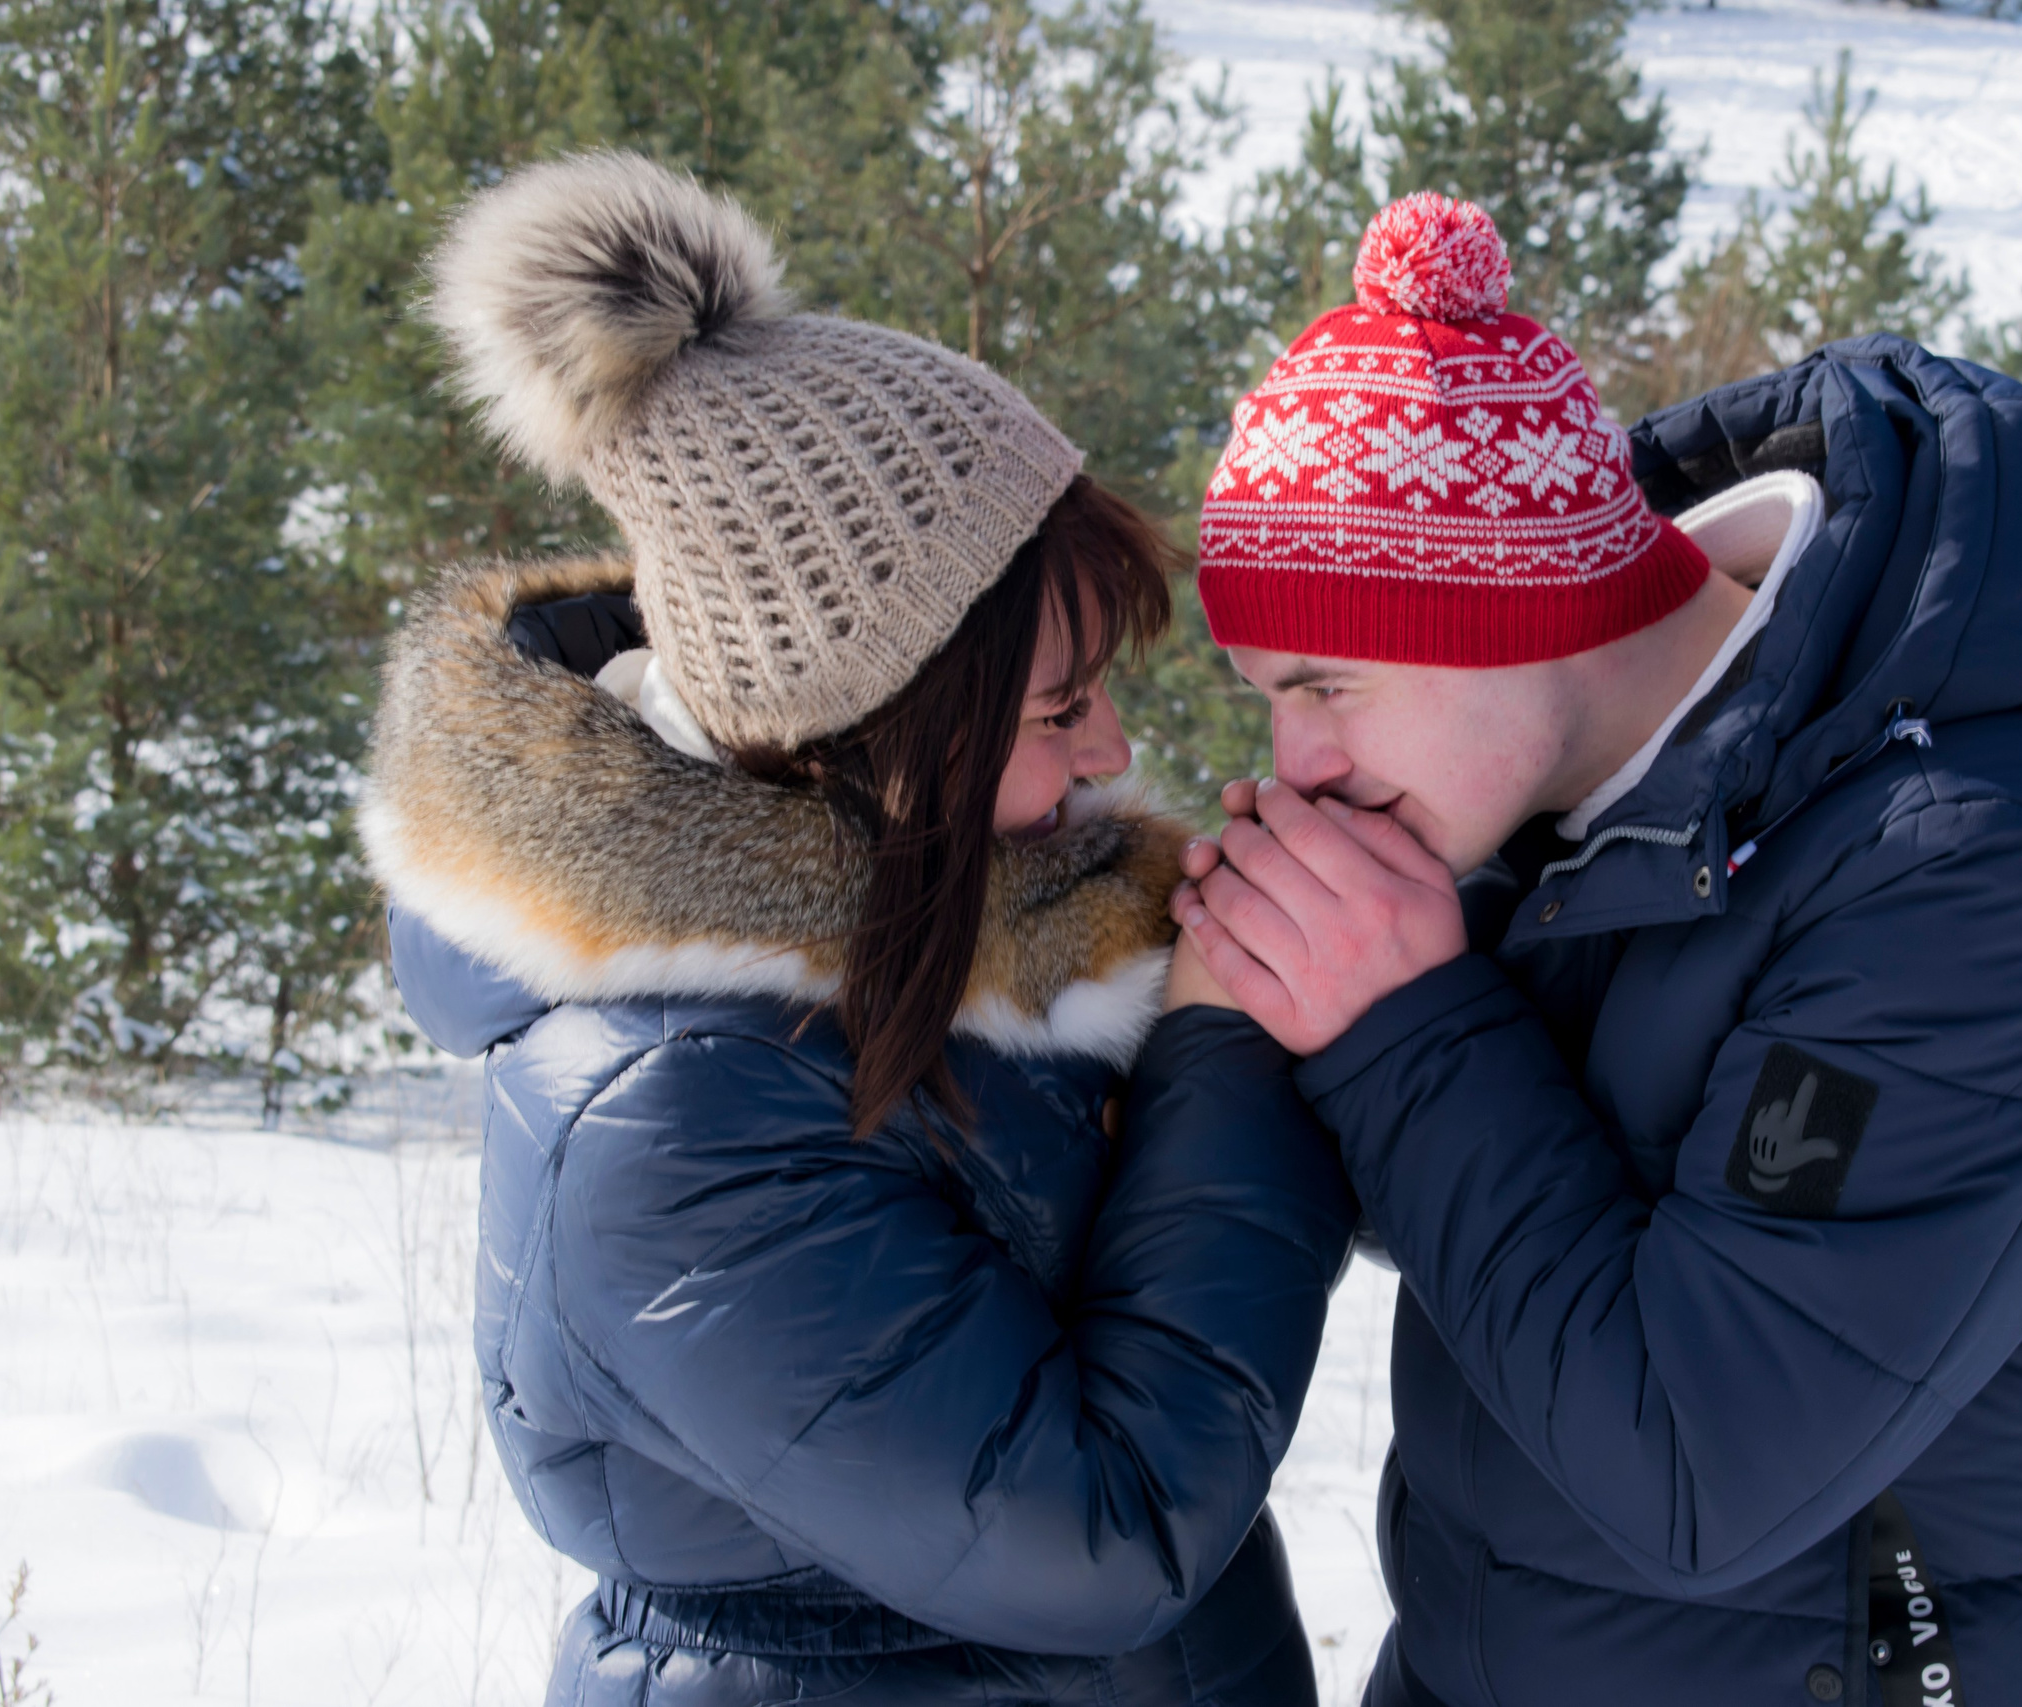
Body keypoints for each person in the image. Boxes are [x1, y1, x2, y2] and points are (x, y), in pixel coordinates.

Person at [1165, 192, 2022, 1707]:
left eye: (1325, 684)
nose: (1297, 762)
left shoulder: (1973, 876)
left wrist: (1400, 1026)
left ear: (1511, 609)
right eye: (1267, 698)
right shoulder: (1562, 813)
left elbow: (1702, 1463)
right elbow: (1492, 1215)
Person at [366, 152, 1354, 1707]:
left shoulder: (983, 928)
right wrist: (1223, 1042)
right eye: (1058, 710)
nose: (1111, 752)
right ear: (862, 734)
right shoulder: (677, 1124)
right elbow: (1107, 1532)